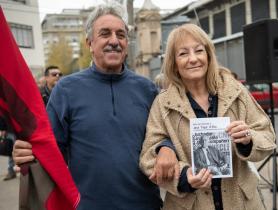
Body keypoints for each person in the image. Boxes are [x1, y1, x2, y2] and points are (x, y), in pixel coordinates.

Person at [12, 4, 177, 210]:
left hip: (145, 205)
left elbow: (168, 132)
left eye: (121, 35)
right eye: (105, 34)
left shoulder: (147, 89)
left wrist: (167, 148)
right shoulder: (66, 90)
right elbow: (50, 149)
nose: (114, 41)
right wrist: (27, 153)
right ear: (89, 43)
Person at [139, 23, 276, 210]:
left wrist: (248, 139)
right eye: (183, 53)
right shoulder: (163, 104)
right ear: (174, 63)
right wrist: (183, 176)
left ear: (209, 55)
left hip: (242, 203)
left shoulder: (235, 91)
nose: (193, 59)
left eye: (198, 50)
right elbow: (148, 159)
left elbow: (267, 135)